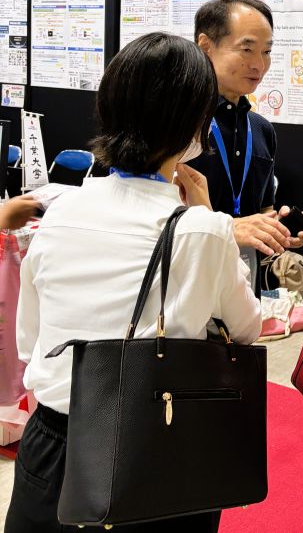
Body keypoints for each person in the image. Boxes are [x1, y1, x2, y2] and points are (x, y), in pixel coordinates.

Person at [6, 33, 262, 533]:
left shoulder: (59, 210)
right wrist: (208, 214)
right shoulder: (203, 230)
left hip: (53, 444)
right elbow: (247, 328)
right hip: (157, 449)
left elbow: (30, 340)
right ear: (194, 126)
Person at [190, 0, 303, 292]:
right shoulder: (179, 125)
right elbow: (156, 220)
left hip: (245, 288)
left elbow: (262, 210)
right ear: (206, 46)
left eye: (267, 51)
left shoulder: (261, 130)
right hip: (189, 283)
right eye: (247, 49)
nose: (259, 64)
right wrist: (228, 230)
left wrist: (278, 228)